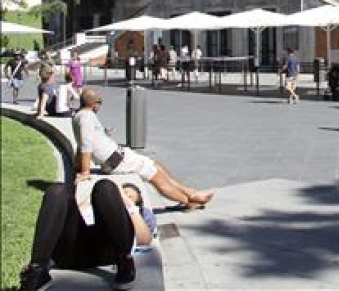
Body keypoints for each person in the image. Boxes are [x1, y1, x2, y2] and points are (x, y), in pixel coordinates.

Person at [73, 88, 215, 208]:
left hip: (119, 156)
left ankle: (190, 192)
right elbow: (85, 146)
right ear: (94, 104)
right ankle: (188, 202)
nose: (100, 106)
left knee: (156, 166)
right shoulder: (86, 118)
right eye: (100, 102)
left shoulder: (81, 116)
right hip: (117, 161)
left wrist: (77, 165)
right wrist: (85, 172)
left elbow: (82, 145)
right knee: (157, 177)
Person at [18, 178, 156, 291]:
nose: (124, 195)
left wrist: (128, 205)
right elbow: (67, 211)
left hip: (107, 252)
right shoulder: (95, 201)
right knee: (58, 190)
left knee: (105, 186)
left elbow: (145, 238)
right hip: (71, 250)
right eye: (123, 192)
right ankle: (36, 271)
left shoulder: (137, 213)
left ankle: (125, 264)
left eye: (130, 195)